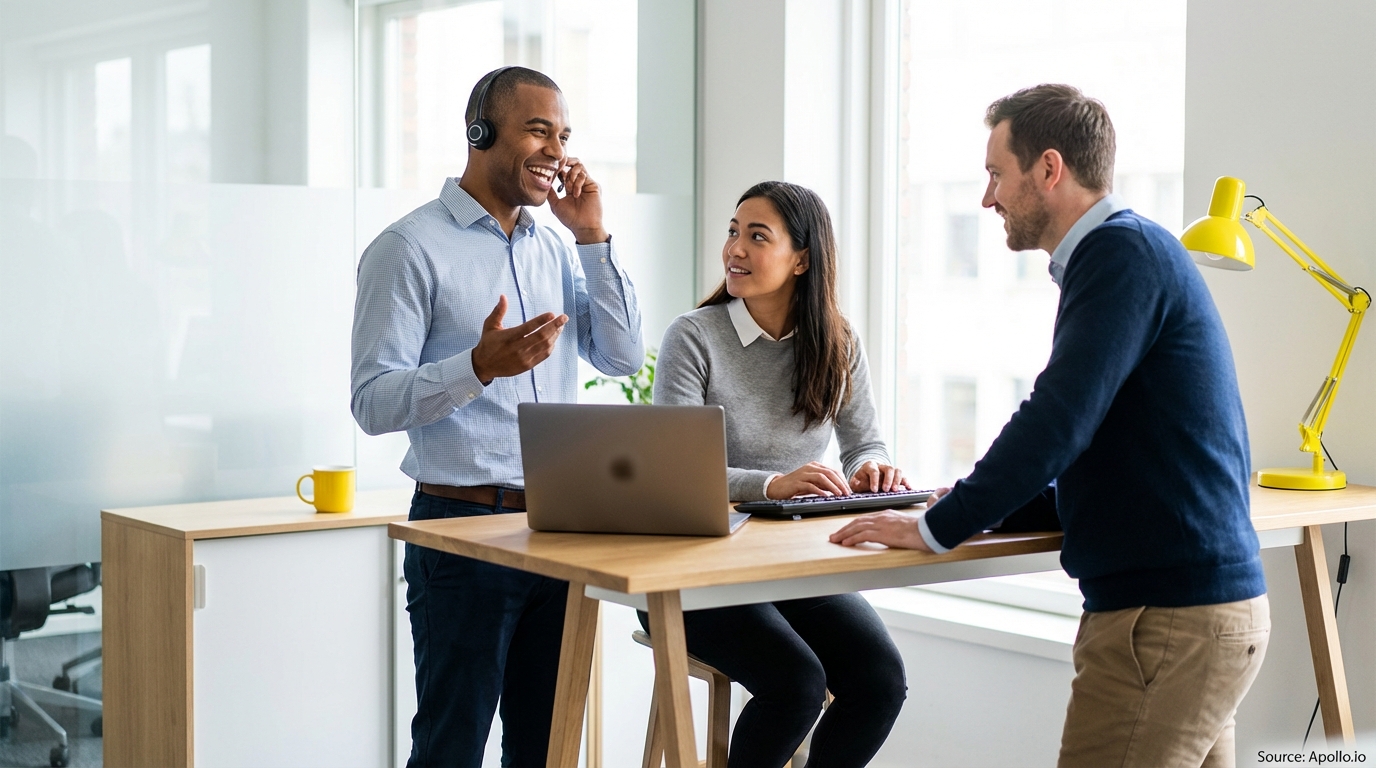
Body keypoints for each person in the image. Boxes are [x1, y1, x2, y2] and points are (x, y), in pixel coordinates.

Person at [831, 84, 1270, 768]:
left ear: (1049, 169)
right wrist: (974, 510)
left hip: (1165, 623)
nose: (986, 198)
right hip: (1197, 616)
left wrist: (935, 528)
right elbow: (1100, 444)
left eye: (995, 174)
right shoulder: (1131, 255)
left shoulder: (1121, 256)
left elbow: (1058, 417)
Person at [350, 66, 643, 768]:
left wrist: (594, 237)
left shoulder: (555, 248)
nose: (556, 150)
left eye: (564, 135)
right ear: (479, 134)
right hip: (461, 534)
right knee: (452, 746)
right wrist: (477, 367)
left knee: (546, 748)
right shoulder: (409, 248)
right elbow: (372, 401)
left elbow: (624, 355)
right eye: (538, 129)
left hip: (556, 528)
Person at [653, 181, 908, 768]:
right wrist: (772, 484)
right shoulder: (694, 337)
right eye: (733, 231)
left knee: (879, 681)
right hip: (693, 570)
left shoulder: (837, 341)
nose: (735, 248)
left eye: (757, 236)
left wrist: (870, 467)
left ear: (802, 259)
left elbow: (863, 441)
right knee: (795, 684)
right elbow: (677, 474)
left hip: (789, 568)